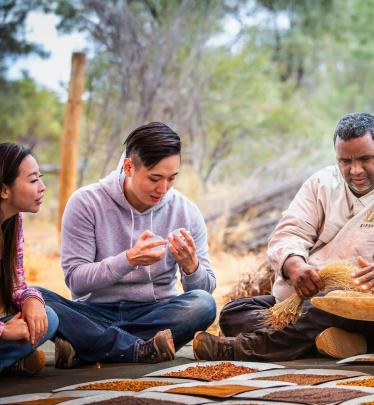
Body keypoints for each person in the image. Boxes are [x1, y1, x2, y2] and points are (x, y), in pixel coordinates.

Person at [193, 112, 374, 361]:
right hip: (307, 303)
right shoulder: (321, 184)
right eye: (345, 162)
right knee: (234, 314)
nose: (356, 170)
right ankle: (331, 342)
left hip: (369, 313)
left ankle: (240, 350)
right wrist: (296, 266)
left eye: (365, 159)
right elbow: (290, 232)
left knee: (332, 311)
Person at [40, 122, 217, 367]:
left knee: (203, 304)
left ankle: (89, 344)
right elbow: (77, 283)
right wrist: (129, 260)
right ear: (129, 167)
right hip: (94, 312)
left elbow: (204, 290)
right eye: (155, 178)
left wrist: (191, 266)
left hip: (156, 313)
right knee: (34, 297)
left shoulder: (186, 212)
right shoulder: (86, 202)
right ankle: (135, 347)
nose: (163, 189)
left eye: (171, 178)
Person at [0, 143, 58, 375]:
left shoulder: (14, 222)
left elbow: (17, 284)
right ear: (4, 190)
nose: (42, 188)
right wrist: (3, 331)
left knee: (48, 317)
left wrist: (32, 300)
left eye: (40, 179)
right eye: (33, 181)